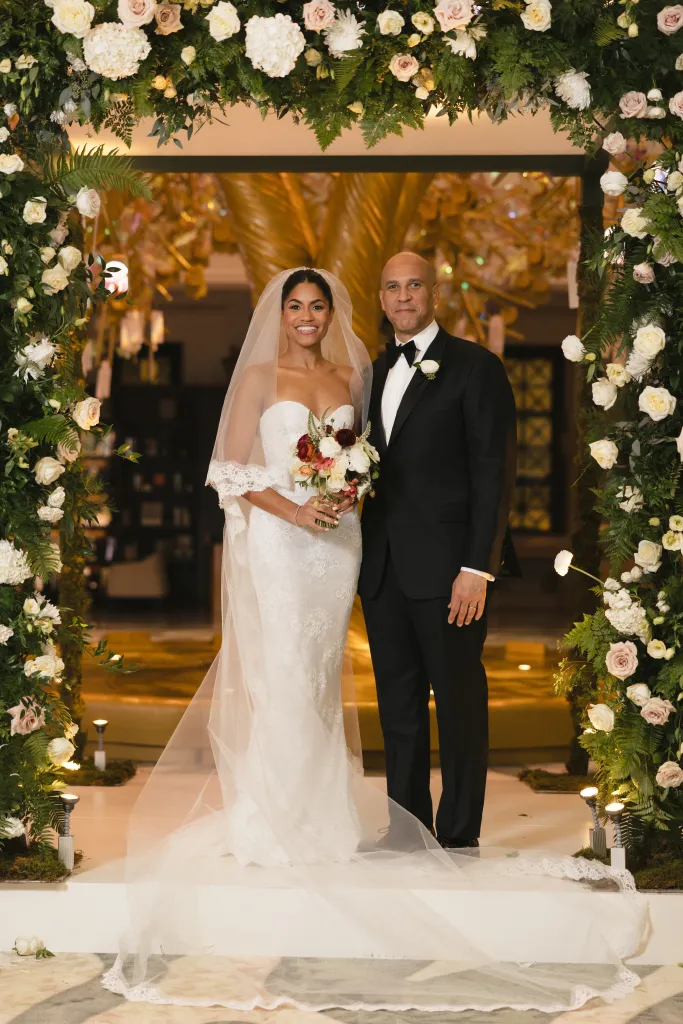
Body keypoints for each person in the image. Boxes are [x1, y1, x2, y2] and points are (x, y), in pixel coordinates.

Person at [103, 267, 643, 1015]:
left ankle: (445, 834)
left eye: (316, 304)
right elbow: (232, 471)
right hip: (304, 547)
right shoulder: (331, 371)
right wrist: (297, 513)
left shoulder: (396, 372)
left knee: (379, 684)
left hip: (359, 551)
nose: (305, 315)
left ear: (337, 311)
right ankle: (335, 821)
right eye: (293, 305)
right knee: (324, 681)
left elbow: (482, 470)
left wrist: (472, 562)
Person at [360, 251, 517, 848]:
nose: (403, 296)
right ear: (381, 298)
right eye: (393, 286)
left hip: (453, 571)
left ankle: (457, 833)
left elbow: (493, 475)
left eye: (414, 285)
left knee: (457, 704)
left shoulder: (475, 368)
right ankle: (406, 830)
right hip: (383, 571)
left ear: (434, 293)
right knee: (397, 707)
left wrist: (477, 567)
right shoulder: (371, 373)